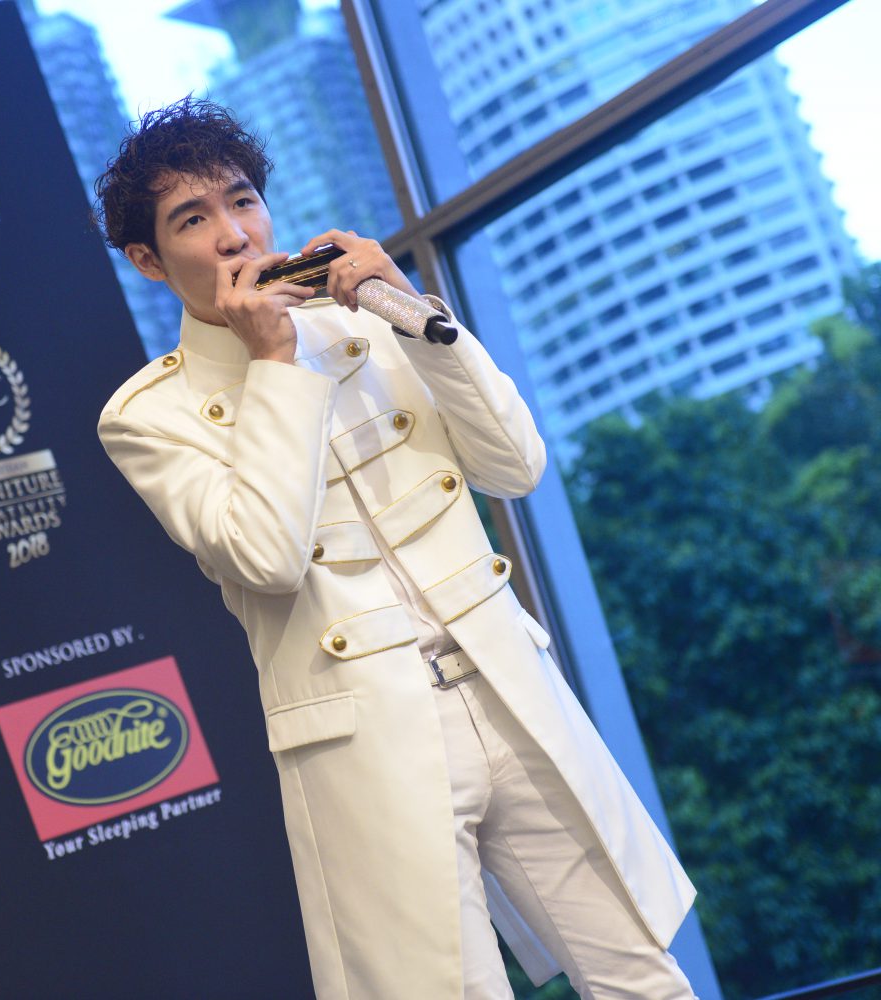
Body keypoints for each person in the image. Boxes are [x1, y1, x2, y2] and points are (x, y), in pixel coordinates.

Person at [94, 97, 698, 1000]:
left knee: (640, 977)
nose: (234, 234)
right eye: (193, 218)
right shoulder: (148, 416)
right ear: (148, 259)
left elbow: (515, 468)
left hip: (507, 687)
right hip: (368, 741)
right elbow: (266, 557)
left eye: (243, 199)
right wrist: (273, 363)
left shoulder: (370, 322)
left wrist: (413, 311)